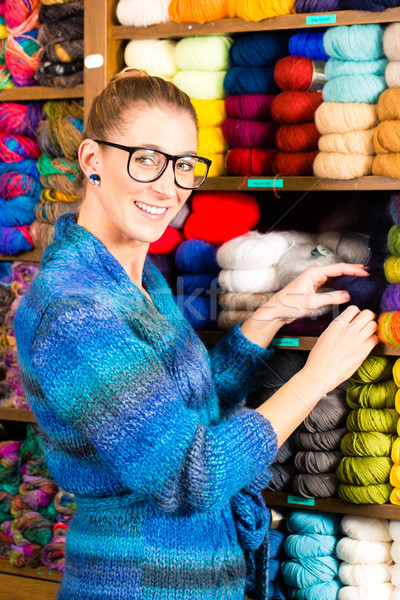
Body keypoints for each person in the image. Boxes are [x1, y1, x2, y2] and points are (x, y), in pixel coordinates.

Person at [15, 70, 378, 600]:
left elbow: (189, 406)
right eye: (147, 159)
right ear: (92, 160)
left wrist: (270, 315)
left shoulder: (139, 281)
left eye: (184, 165)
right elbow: (190, 472)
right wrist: (315, 379)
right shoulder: (73, 309)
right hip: (138, 584)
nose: (169, 187)